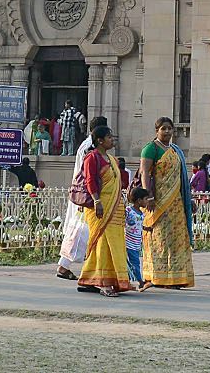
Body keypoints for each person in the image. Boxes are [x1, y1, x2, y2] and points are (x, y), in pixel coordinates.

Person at [137, 116, 196, 288]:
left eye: (170, 128)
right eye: (163, 128)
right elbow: (144, 174)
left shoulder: (176, 150)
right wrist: (148, 197)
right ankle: (158, 276)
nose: (167, 131)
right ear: (157, 131)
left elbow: (183, 179)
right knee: (160, 240)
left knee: (177, 240)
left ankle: (176, 278)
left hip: (176, 203)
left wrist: (189, 198)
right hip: (158, 202)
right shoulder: (150, 149)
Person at [76, 126, 132, 297]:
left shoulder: (112, 159)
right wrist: (97, 201)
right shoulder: (92, 158)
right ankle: (102, 282)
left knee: (113, 243)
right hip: (100, 207)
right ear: (100, 140)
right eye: (109, 137)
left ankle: (91, 279)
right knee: (101, 242)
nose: (112, 139)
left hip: (114, 208)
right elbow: (91, 180)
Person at [56, 117, 109, 280]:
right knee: (80, 232)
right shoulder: (90, 148)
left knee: (82, 231)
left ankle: (79, 266)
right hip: (87, 196)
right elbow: (89, 175)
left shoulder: (87, 146)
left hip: (88, 195)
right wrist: (94, 197)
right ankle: (64, 266)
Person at [127, 186, 152, 290]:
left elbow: (138, 225)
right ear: (139, 200)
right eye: (146, 199)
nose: (147, 202)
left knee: (134, 262)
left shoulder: (141, 213)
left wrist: (146, 228)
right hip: (128, 242)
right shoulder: (128, 210)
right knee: (134, 263)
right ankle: (140, 281)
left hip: (137, 243)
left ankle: (132, 280)